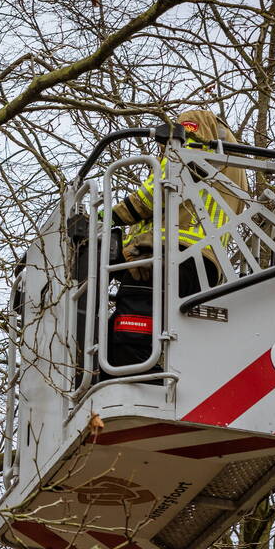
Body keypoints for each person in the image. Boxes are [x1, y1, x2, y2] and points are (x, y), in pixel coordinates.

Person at [103, 110, 250, 372]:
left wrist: (109, 215)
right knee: (166, 337)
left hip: (166, 256)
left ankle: (143, 386)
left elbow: (170, 177)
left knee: (130, 340)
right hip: (201, 264)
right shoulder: (232, 161)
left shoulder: (195, 122)